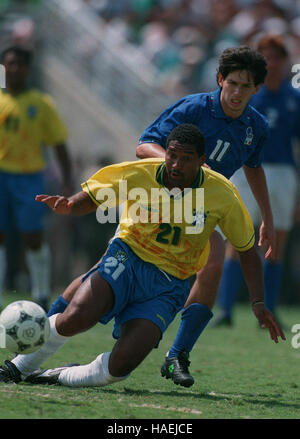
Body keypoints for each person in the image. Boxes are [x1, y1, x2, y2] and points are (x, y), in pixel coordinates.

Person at [2, 45, 274, 388]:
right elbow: (144, 144)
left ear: (255, 90)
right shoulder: (191, 110)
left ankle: (177, 353)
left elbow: (253, 168)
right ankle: (33, 345)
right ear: (220, 80)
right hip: (153, 209)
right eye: (232, 83)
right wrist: (175, 165)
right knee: (87, 300)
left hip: (203, 212)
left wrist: (266, 217)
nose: (236, 92)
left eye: (245, 86)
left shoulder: (254, 130)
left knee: (213, 265)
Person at [213, 34, 300, 326]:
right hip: (246, 170)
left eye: (277, 57)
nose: (272, 63)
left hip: (285, 173)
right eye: (266, 57)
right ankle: (225, 310)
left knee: (277, 241)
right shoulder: (249, 94)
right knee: (237, 239)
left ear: (285, 61)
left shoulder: (294, 98)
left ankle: (269, 312)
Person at [0, 45, 72, 311]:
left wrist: (67, 180)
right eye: (10, 63)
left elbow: (59, 143)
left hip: (29, 178)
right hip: (0, 176)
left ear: (28, 69)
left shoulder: (41, 104)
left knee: (33, 235)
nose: (15, 68)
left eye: (20, 64)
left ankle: (41, 293)